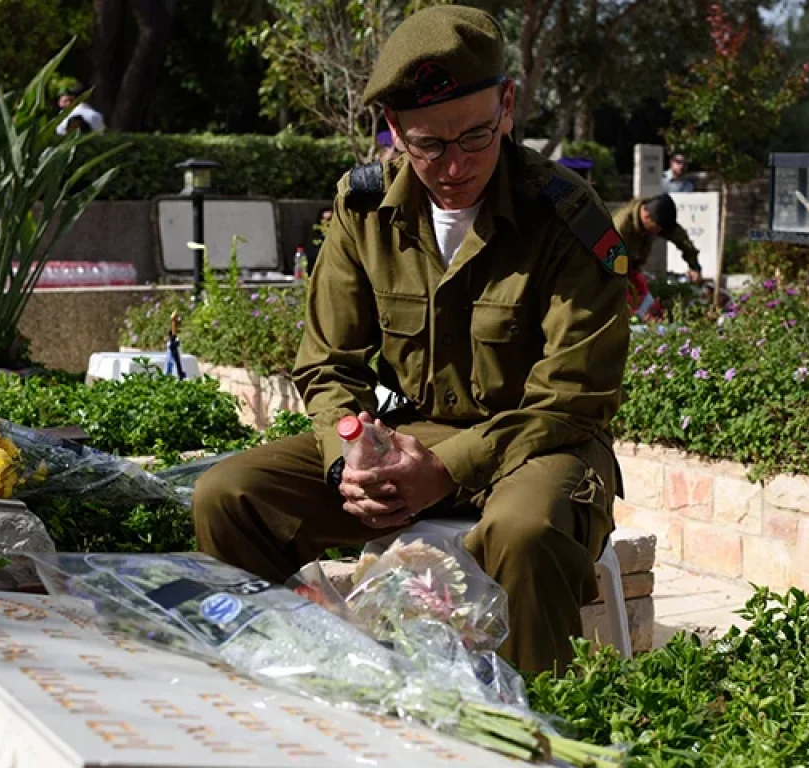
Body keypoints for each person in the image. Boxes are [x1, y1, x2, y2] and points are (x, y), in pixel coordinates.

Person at [191, 5, 631, 674]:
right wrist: (351, 456)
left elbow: (572, 399)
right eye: (428, 144)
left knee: (524, 531)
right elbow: (328, 363)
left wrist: (448, 469)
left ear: (507, 106)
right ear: (394, 130)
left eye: (476, 136)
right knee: (228, 497)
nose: (454, 165)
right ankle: (301, 680)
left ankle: (532, 729)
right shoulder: (363, 212)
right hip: (413, 441)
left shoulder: (566, 219)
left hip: (541, 450)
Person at [612, 193, 702, 283]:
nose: (660, 232)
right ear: (646, 217)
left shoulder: (657, 215)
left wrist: (694, 266)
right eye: (657, 228)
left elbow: (682, 239)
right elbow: (612, 265)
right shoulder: (620, 227)